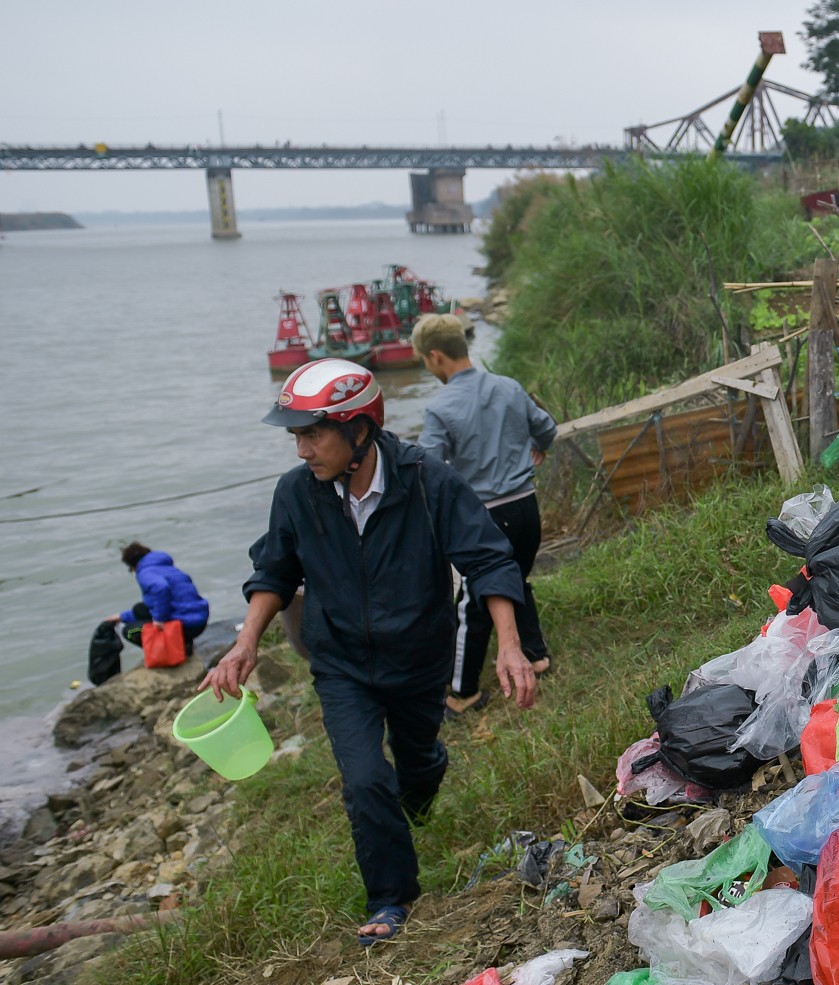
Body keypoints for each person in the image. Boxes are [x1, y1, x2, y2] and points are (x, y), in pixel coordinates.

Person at [199, 358, 537, 947]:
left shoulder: (428, 482)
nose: (302, 450)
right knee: (363, 781)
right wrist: (243, 643)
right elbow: (274, 571)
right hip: (342, 665)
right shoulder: (297, 495)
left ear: (360, 430)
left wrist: (509, 646)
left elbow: (487, 560)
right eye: (295, 435)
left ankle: (423, 778)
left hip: (417, 658)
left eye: (312, 433)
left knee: (418, 764)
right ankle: (391, 894)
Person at [411, 313, 557, 717]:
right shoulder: (507, 386)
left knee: (473, 603)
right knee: (516, 577)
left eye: (425, 360)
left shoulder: (440, 407)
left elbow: (428, 469)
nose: (427, 366)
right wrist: (537, 447)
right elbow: (545, 427)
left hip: (484, 517)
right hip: (526, 506)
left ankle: (462, 692)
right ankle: (536, 653)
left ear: (436, 356)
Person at [104, 543, 209, 655]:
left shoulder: (145, 572)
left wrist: (159, 619)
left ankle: (172, 651)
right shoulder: (165, 568)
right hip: (198, 621)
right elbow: (152, 606)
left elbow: (161, 588)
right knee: (140, 609)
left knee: (129, 632)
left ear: (133, 565)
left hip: (186, 625)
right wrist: (121, 617)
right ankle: (184, 643)